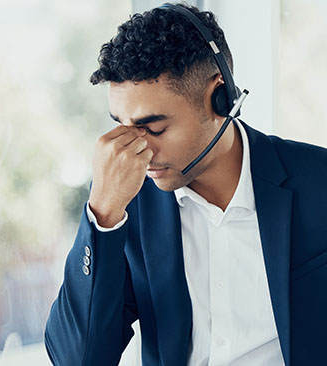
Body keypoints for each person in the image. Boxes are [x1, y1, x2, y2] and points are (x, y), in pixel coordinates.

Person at [44, 3, 327, 366]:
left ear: (219, 98)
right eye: (121, 124)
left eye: (154, 128)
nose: (137, 150)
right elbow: (76, 360)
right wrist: (103, 214)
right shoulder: (124, 205)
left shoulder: (318, 182)